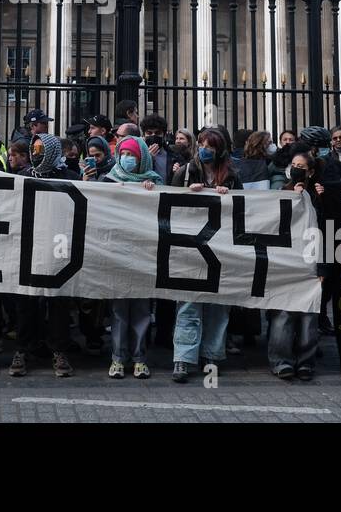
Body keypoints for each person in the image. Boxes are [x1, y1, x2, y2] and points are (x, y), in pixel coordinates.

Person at [169, 127, 239, 383]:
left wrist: (229, 195)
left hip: (220, 249)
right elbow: (168, 203)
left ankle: (212, 355)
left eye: (210, 146)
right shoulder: (186, 172)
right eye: (201, 144)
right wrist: (187, 193)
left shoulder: (230, 175)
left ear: (219, 150)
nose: (204, 150)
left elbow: (244, 210)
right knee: (187, 305)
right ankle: (183, 359)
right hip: (190, 249)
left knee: (218, 307)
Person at [8, 133, 76, 379]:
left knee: (58, 302)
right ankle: (23, 349)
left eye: (40, 149)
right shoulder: (24, 177)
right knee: (26, 302)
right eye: (33, 149)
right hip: (29, 246)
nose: (36, 154)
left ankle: (59, 351)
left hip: (59, 248)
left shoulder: (70, 178)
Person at [102, 136, 161, 379]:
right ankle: (117, 358)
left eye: (132, 156)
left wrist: (151, 191)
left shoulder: (154, 181)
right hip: (117, 253)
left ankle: (139, 358)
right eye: (124, 154)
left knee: (140, 310)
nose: (127, 159)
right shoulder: (108, 180)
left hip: (143, 255)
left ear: (142, 159)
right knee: (118, 311)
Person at [269, 150, 325, 381]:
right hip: (286, 261)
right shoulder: (282, 192)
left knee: (308, 315)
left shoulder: (320, 194)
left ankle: (305, 361)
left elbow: (327, 228)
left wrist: (317, 198)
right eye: (293, 164)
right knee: (283, 314)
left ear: (310, 172)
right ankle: (281, 361)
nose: (296, 168)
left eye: (301, 166)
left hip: (311, 259)